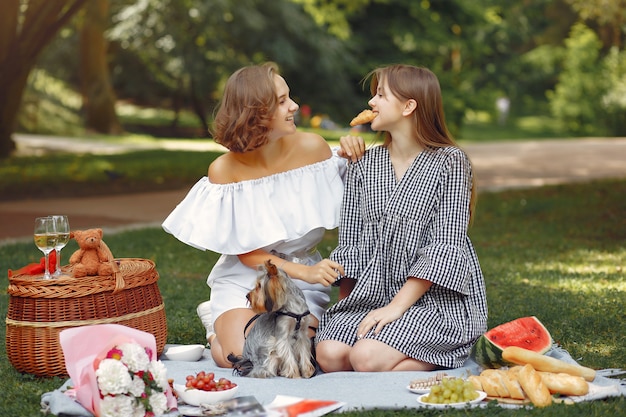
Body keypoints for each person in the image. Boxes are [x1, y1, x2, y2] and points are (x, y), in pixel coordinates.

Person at [162, 62, 362, 368]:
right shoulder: (224, 170)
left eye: (289, 97)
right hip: (247, 281)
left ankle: (224, 333)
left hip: (301, 285)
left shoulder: (314, 149)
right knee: (248, 358)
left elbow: (366, 198)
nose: (293, 106)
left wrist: (354, 154)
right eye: (281, 101)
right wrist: (307, 272)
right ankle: (220, 331)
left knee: (291, 359)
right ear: (254, 113)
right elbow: (248, 255)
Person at [315, 64, 488, 372]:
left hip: (433, 301)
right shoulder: (364, 163)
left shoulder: (450, 162)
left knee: (364, 358)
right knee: (329, 354)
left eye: (381, 95)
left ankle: (439, 356)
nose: (371, 103)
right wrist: (348, 310)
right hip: (372, 294)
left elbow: (444, 246)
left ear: (409, 105)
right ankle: (394, 364)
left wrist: (395, 309)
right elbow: (353, 242)